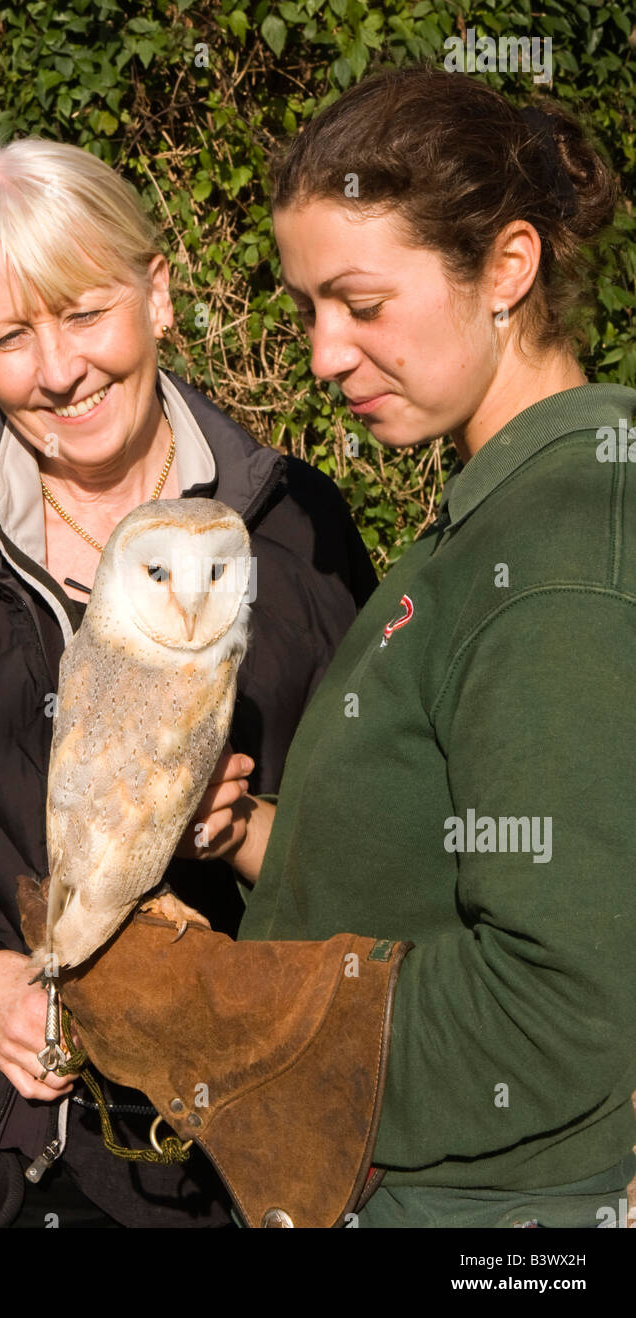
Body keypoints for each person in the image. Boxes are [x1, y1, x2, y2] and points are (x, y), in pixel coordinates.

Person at [0, 137, 377, 1228]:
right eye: (10, 335)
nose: (57, 370)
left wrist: (244, 825)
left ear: (157, 295)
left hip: (250, 1147)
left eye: (83, 313)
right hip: (8, 1149)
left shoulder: (299, 532)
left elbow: (386, 835)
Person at [221, 64, 636, 1226]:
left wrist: (265, 1037)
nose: (321, 354)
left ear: (505, 268)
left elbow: (561, 1002)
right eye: (306, 307)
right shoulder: (491, 513)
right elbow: (441, 866)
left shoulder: (556, 558)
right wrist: (263, 836)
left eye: (359, 301)